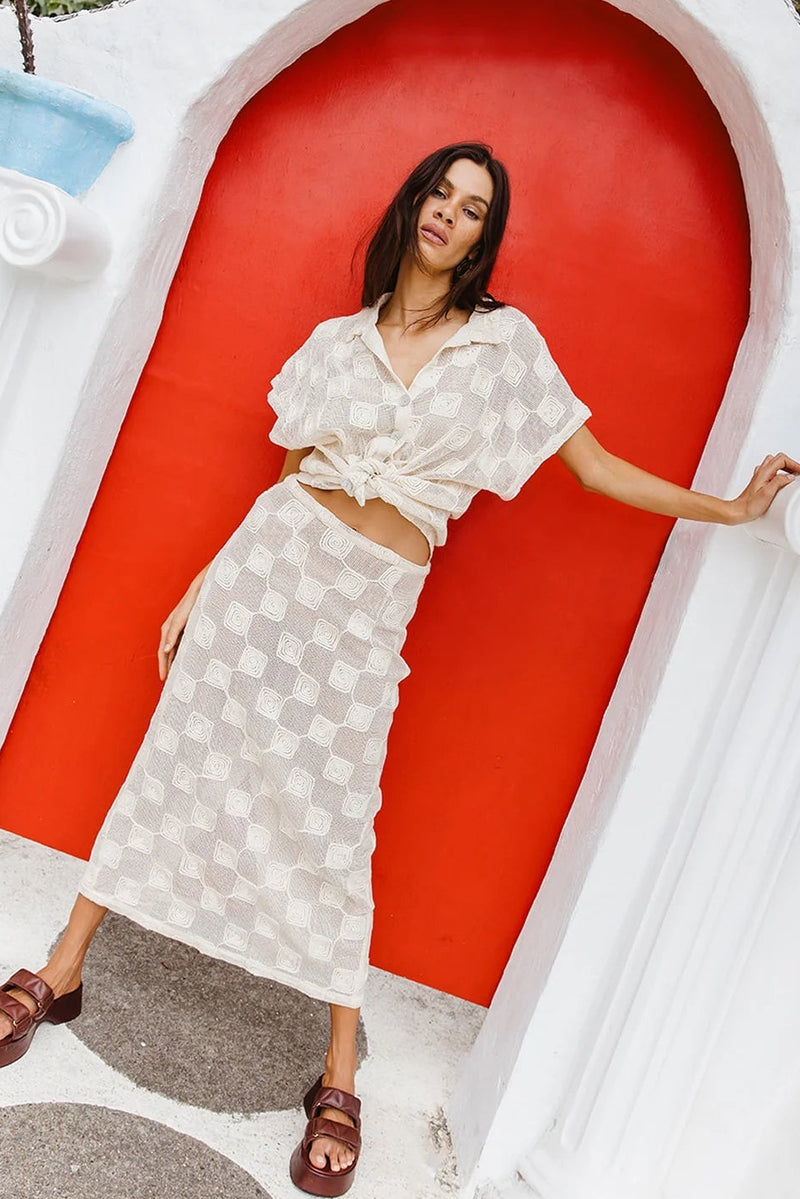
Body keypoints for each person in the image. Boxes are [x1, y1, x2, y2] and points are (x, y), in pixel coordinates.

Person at [1, 141, 797, 1197]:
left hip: (366, 605)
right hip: (269, 577)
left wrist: (730, 509)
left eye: (473, 209)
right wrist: (203, 584)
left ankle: (336, 1074)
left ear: (481, 239)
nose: (449, 216)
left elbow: (594, 468)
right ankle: (60, 970)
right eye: (439, 194)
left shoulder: (503, 347)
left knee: (335, 824)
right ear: (413, 204)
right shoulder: (336, 341)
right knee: (173, 765)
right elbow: (287, 477)